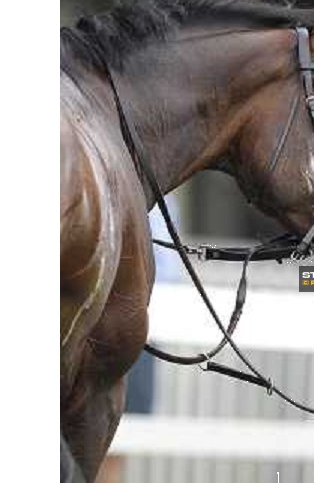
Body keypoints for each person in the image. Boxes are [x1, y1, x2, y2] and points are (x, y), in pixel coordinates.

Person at [97, 196, 182, 482]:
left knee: (125, 432)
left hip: (148, 328)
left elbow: (170, 269)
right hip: (105, 329)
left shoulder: (165, 198)